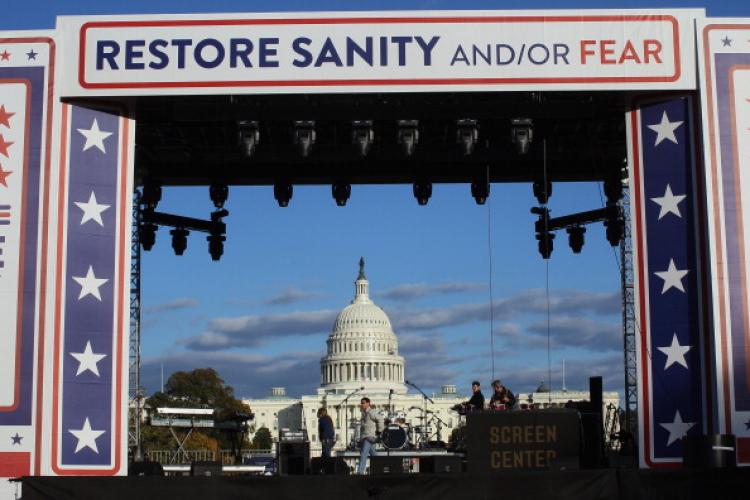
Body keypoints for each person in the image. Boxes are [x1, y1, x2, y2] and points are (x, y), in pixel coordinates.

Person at [357, 397, 385, 474]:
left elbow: (380, 419)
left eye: (363, 403)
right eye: (361, 403)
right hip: (365, 436)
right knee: (374, 454)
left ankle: (360, 473)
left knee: (363, 454)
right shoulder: (364, 413)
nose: (361, 404)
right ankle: (380, 470)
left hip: (369, 437)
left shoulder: (371, 412)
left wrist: (380, 431)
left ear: (368, 403)